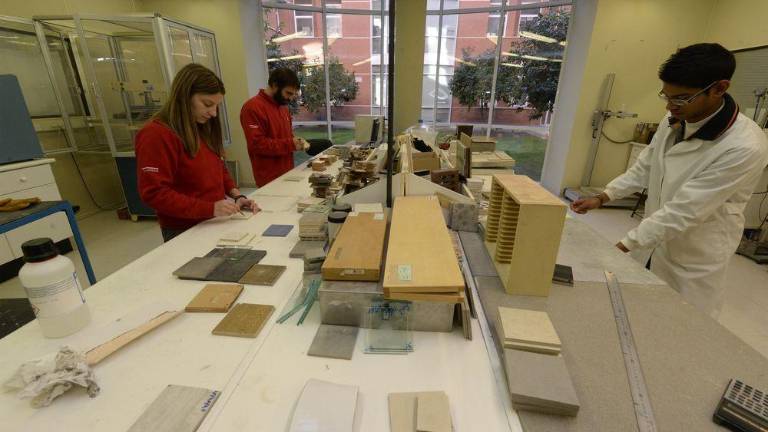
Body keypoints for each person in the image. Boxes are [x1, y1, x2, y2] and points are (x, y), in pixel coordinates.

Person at [571, 43, 768, 318]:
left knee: (682, 324)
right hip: (655, 239)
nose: (670, 106)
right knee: (640, 312)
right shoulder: (674, 118)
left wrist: (622, 246)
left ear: (720, 88)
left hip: (693, 256)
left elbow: (685, 210)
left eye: (682, 99)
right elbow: (646, 166)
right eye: (667, 96)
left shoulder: (744, 146)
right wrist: (604, 196)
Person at [136, 63, 260, 242]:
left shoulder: (200, 126)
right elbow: (154, 193)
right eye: (207, 104)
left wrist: (236, 195)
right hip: (184, 229)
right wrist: (209, 208)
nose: (213, 113)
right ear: (184, 97)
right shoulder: (155, 134)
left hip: (213, 221)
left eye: (216, 106)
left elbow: (218, 167)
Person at [240, 68, 309, 187]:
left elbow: (285, 136)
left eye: (293, 94)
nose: (291, 98)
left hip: (288, 172)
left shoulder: (283, 107)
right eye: (288, 93)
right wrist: (290, 144)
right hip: (268, 177)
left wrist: (295, 141)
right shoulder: (252, 108)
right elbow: (257, 144)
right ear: (275, 85)